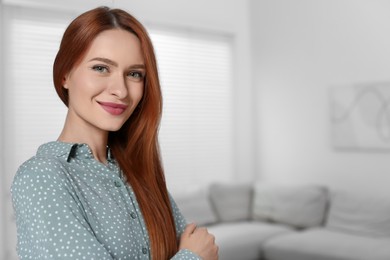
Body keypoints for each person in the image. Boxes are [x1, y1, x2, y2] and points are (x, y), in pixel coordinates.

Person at [11, 6, 218, 260]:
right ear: (65, 73)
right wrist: (193, 257)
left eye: (134, 74)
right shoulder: (41, 177)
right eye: (101, 68)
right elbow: (196, 250)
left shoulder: (139, 174)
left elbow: (190, 242)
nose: (120, 90)